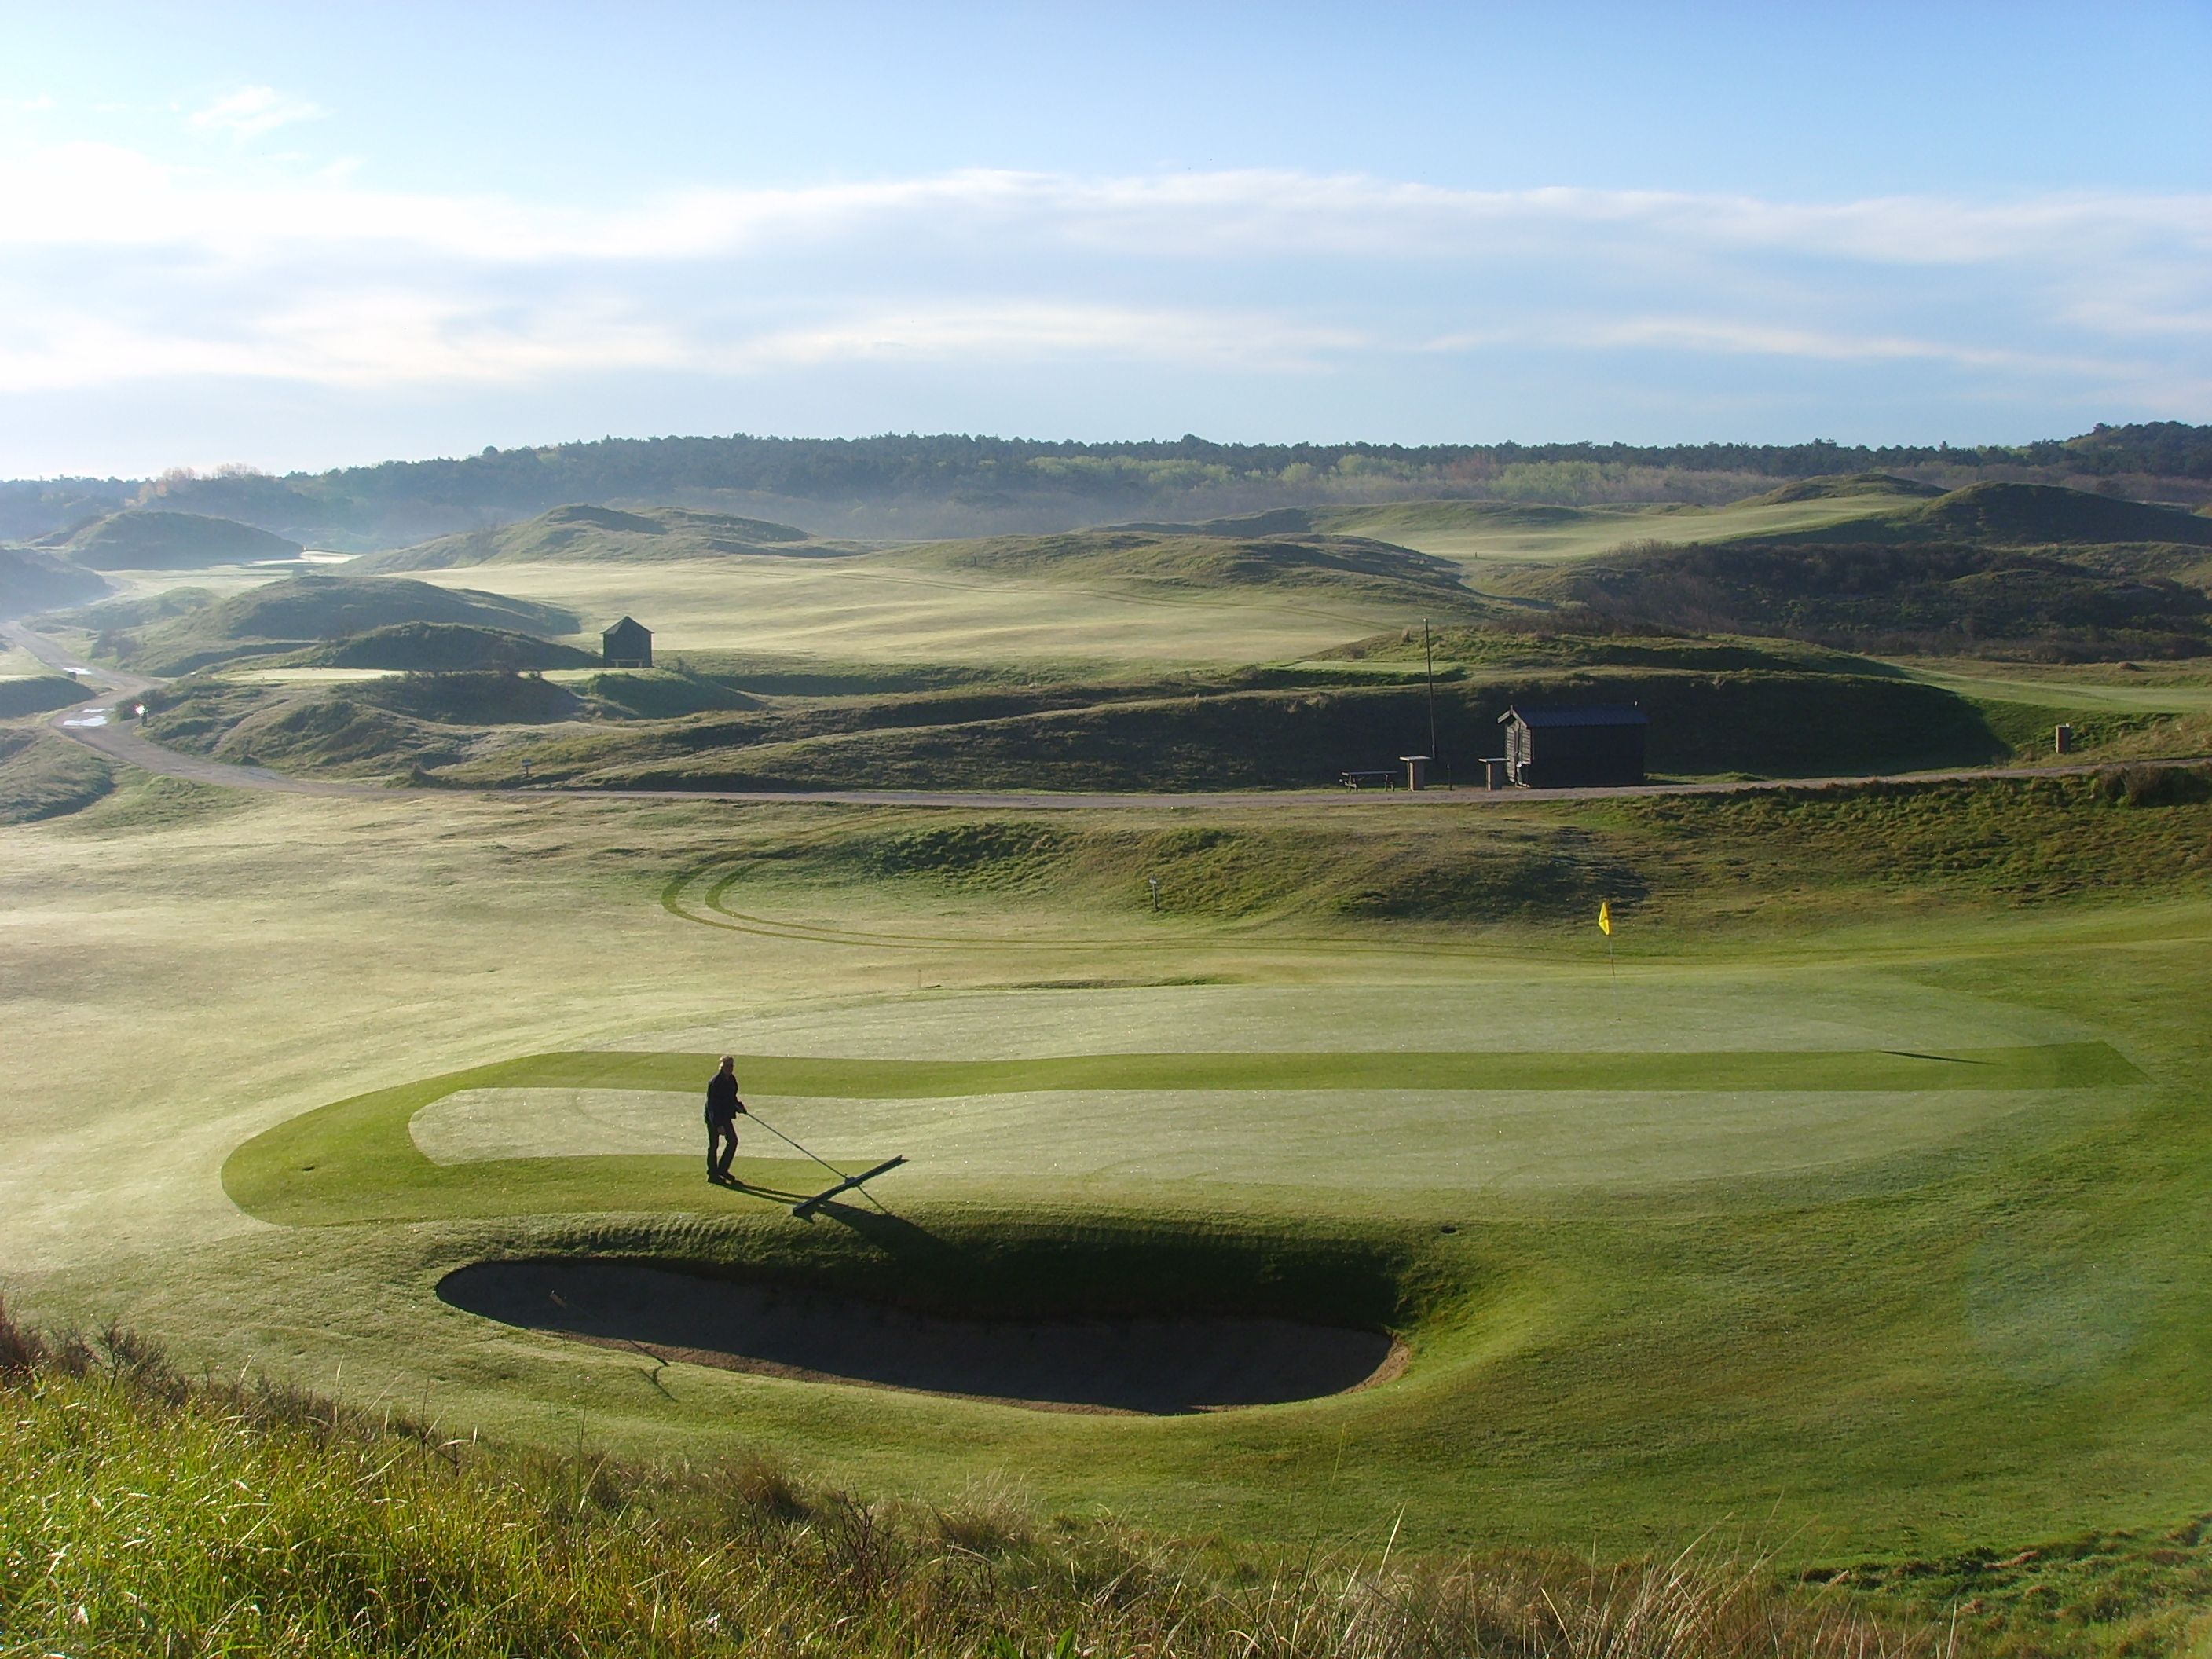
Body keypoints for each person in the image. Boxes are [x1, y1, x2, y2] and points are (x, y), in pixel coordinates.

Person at [705, 1055, 745, 1185]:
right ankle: (712, 1174)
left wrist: (739, 1106)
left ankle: (722, 1169)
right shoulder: (715, 1082)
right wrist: (718, 1125)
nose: (730, 1069)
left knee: (733, 1141)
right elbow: (712, 1106)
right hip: (714, 1118)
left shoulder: (732, 1080)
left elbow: (731, 1098)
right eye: (727, 1066)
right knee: (714, 1145)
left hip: (725, 1116)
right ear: (721, 1067)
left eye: (732, 1066)